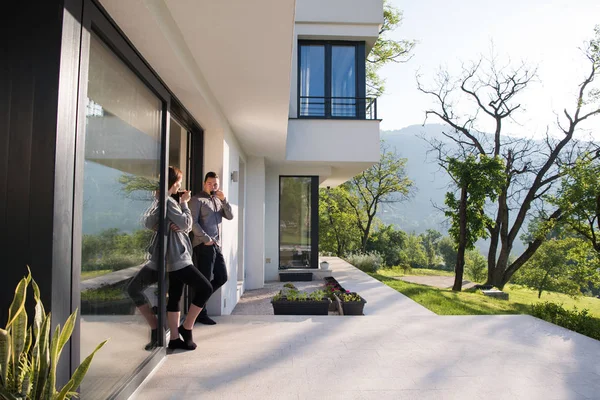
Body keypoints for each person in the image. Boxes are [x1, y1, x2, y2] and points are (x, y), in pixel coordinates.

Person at [127, 166, 213, 350]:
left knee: (174, 296)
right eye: (179, 183)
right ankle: (185, 327)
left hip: (171, 257)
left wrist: (167, 214)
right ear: (173, 184)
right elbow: (185, 224)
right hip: (176, 258)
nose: (180, 187)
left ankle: (173, 337)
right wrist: (183, 203)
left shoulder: (165, 202)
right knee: (205, 288)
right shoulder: (169, 202)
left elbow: (159, 223)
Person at [189, 171, 234, 325]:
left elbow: (230, 216)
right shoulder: (196, 200)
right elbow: (192, 223)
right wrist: (207, 240)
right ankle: (201, 313)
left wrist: (224, 200)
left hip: (216, 245)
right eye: (210, 183)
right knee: (205, 281)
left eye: (215, 184)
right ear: (204, 183)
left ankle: (197, 305)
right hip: (203, 245)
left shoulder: (218, 200)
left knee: (222, 277)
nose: (212, 186)